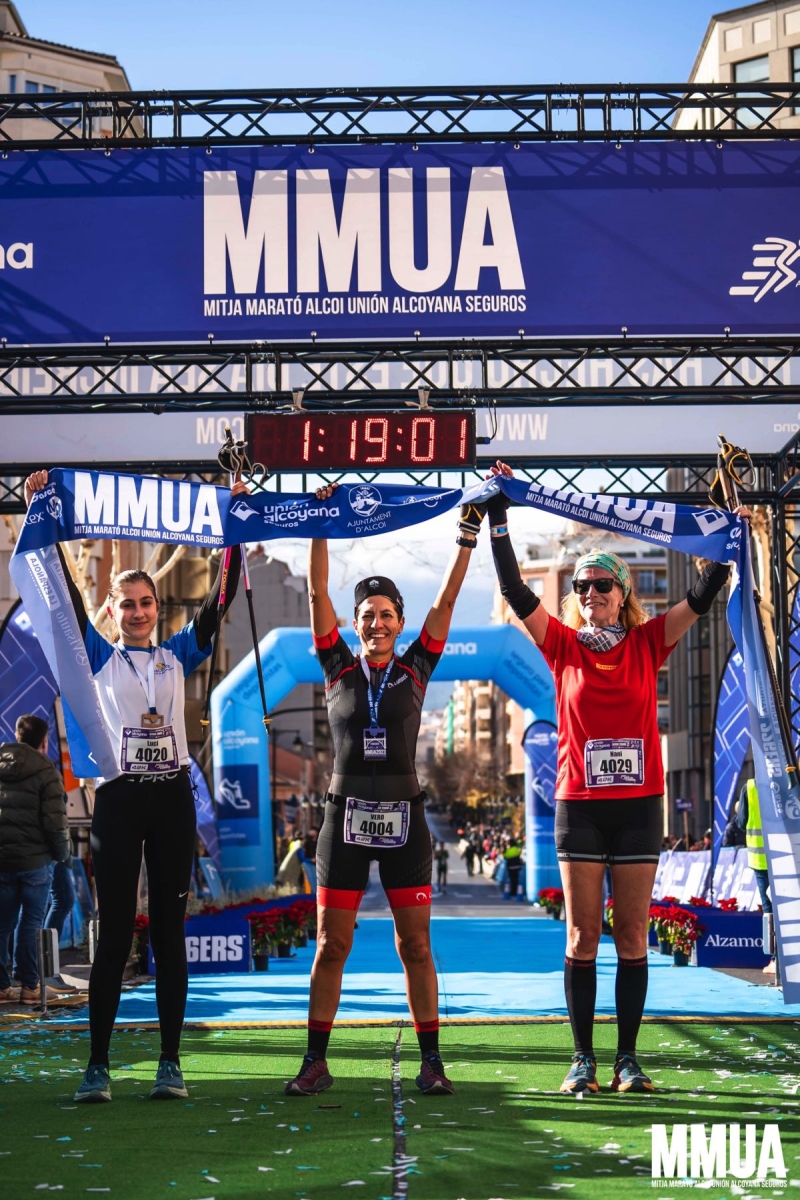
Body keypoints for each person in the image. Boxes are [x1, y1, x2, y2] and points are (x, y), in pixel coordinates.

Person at [486, 462, 739, 1095]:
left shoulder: (649, 642)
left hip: (639, 805)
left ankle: (627, 1059)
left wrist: (725, 522)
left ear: (624, 593)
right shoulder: (562, 646)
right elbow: (514, 588)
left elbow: (704, 593)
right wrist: (498, 515)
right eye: (583, 586)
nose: (592, 593)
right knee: (582, 933)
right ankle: (582, 1060)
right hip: (579, 804)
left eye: (603, 584)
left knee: (630, 934)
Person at [23, 468, 248, 1104]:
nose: (140, 612)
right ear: (113, 612)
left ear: (157, 608)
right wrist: (44, 512)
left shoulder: (178, 653)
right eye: (128, 604)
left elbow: (220, 598)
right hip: (119, 799)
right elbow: (65, 597)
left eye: (147, 603)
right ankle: (97, 1066)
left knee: (170, 933)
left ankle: (170, 1064)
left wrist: (234, 524)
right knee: (116, 932)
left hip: (171, 799)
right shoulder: (97, 655)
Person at [285, 485, 483, 1098]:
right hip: (343, 820)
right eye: (366, 615)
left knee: (415, 944)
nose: (376, 624)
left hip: (405, 821)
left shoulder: (417, 667)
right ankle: (315, 1062)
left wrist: (466, 539)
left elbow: (447, 600)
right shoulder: (336, 667)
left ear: (400, 622)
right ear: (355, 624)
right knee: (331, 944)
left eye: (386, 615)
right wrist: (320, 522)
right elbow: (317, 593)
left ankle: (432, 1062)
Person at [0, 714, 71, 1004]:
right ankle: (29, 986)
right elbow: (55, 822)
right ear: (44, 741)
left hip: (3, 860)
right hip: (35, 862)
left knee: (3, 923)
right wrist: (62, 855)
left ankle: (1, 987)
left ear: (17, 735)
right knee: (30, 922)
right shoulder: (46, 771)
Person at [737, 777, 775, 973]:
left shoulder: (750, 787)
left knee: (769, 907)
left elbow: (741, 822)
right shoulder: (789, 779)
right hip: (788, 855)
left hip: (761, 859)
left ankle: (776, 959)